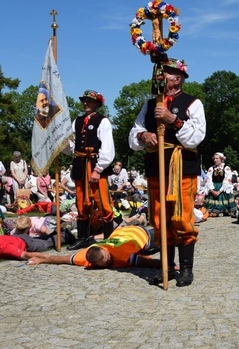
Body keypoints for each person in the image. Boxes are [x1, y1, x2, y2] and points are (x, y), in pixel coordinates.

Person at [129, 57, 206, 287]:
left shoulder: (193, 103)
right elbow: (134, 133)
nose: (161, 77)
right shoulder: (150, 104)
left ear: (178, 78)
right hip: (156, 167)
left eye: (167, 73)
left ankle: (186, 269)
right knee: (160, 219)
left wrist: (173, 120)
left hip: (182, 167)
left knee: (181, 217)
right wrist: (145, 136)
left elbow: (197, 136)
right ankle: (168, 268)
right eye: (159, 73)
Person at [67, 90, 115, 249]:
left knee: (103, 202)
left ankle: (109, 238)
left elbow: (108, 149)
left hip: (95, 164)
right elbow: (72, 146)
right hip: (80, 164)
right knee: (81, 202)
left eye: (89, 101)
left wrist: (98, 169)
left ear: (97, 104)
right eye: (84, 101)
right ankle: (83, 237)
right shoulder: (77, 121)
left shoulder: (103, 121)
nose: (85, 103)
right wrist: (61, 146)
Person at [25, 225, 160, 269]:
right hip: (123, 230)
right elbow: (62, 259)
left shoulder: (120, 253)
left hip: (141, 234)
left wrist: (169, 266)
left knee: (170, 233)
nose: (109, 262)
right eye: (106, 263)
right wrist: (42, 260)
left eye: (108, 259)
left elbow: (146, 262)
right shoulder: (85, 255)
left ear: (104, 250)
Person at [203, 153, 236, 217]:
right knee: (209, 208)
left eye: (217, 158)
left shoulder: (226, 168)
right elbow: (208, 180)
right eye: (214, 158)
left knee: (225, 195)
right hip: (213, 187)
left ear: (221, 159)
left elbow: (227, 180)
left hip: (222, 188)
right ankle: (213, 211)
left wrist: (219, 191)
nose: (215, 160)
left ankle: (223, 211)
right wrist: (212, 190)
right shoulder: (211, 168)